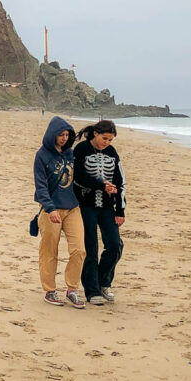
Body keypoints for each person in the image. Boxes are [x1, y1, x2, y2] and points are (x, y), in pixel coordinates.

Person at [33, 116, 87, 308]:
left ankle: (72, 289)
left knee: (79, 249)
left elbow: (81, 178)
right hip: (51, 210)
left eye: (67, 135)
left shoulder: (70, 154)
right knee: (49, 251)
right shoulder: (42, 155)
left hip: (72, 208)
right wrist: (49, 208)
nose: (64, 138)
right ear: (52, 134)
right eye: (60, 135)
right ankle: (50, 290)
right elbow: (40, 186)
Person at [73, 120, 125, 305]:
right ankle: (92, 290)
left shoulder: (111, 153)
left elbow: (120, 182)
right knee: (90, 248)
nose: (107, 143)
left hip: (107, 207)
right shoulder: (81, 149)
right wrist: (101, 184)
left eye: (110, 140)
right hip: (85, 205)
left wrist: (120, 210)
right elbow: (77, 177)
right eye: (104, 138)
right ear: (95, 133)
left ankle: (104, 282)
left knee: (115, 245)